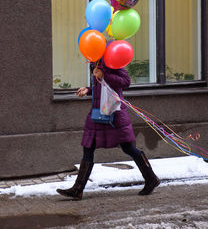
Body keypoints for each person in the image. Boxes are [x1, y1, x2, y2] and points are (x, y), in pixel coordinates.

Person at [56, 59, 160, 200]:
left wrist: (104, 75)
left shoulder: (112, 60)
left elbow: (125, 82)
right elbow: (101, 88)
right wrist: (88, 89)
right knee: (88, 146)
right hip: (98, 113)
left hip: (114, 114)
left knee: (128, 147)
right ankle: (77, 189)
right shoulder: (96, 64)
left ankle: (151, 178)